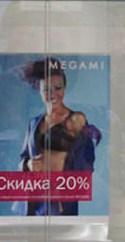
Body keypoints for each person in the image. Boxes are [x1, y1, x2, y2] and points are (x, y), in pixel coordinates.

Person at [18, 58, 101, 216]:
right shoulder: (33, 123)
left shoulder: (77, 122)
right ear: (39, 90)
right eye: (46, 89)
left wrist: (60, 173)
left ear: (65, 88)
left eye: (58, 88)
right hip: (35, 204)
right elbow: (23, 158)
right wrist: (28, 164)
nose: (53, 94)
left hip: (62, 205)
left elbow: (87, 166)